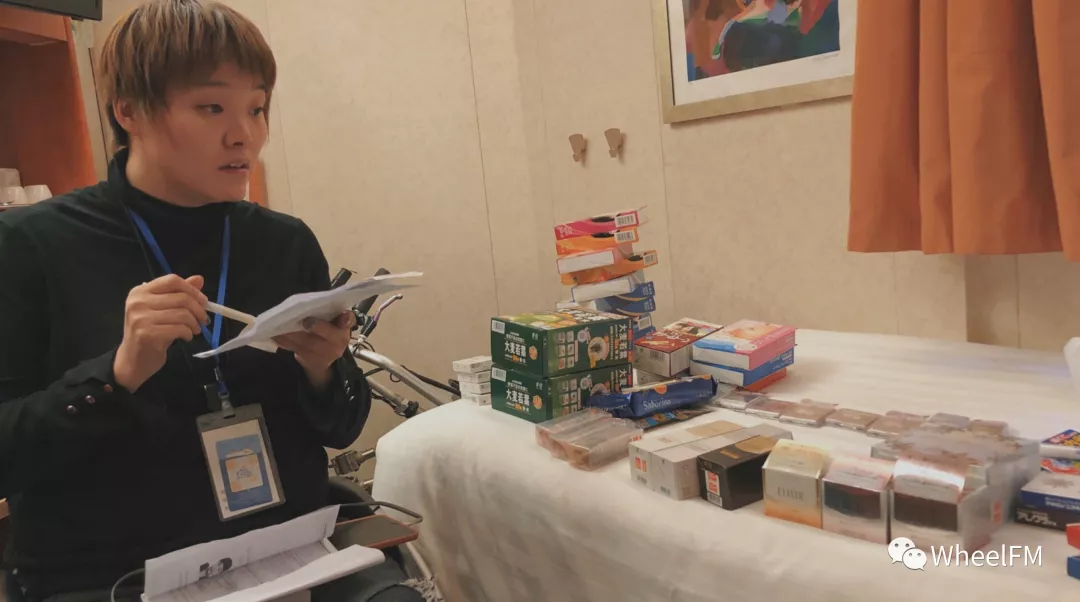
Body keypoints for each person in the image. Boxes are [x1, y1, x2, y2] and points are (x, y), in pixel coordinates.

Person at [0, 1, 425, 600]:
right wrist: (117, 375)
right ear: (129, 111)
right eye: (212, 108)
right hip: (115, 574)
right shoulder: (30, 244)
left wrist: (323, 367)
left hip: (284, 553)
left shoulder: (283, 242)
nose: (244, 134)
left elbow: (340, 428)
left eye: (257, 108)